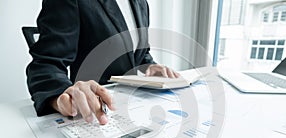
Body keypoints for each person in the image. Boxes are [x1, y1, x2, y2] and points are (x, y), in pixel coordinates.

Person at [26, 0, 179, 125]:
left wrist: (149, 66)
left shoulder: (141, 3)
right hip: (93, 113)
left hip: (135, 108)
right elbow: (45, 65)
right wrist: (61, 97)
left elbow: (140, 52)